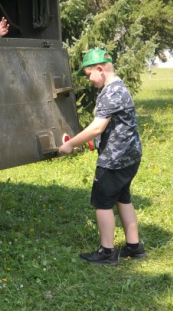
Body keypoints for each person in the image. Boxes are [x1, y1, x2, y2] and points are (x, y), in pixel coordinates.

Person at [58, 48, 146, 265]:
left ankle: (107, 252)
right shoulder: (119, 87)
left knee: (103, 203)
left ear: (100, 69)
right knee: (122, 198)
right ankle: (134, 247)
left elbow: (98, 127)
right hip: (130, 156)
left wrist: (69, 144)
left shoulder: (110, 93)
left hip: (114, 159)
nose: (88, 80)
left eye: (89, 75)